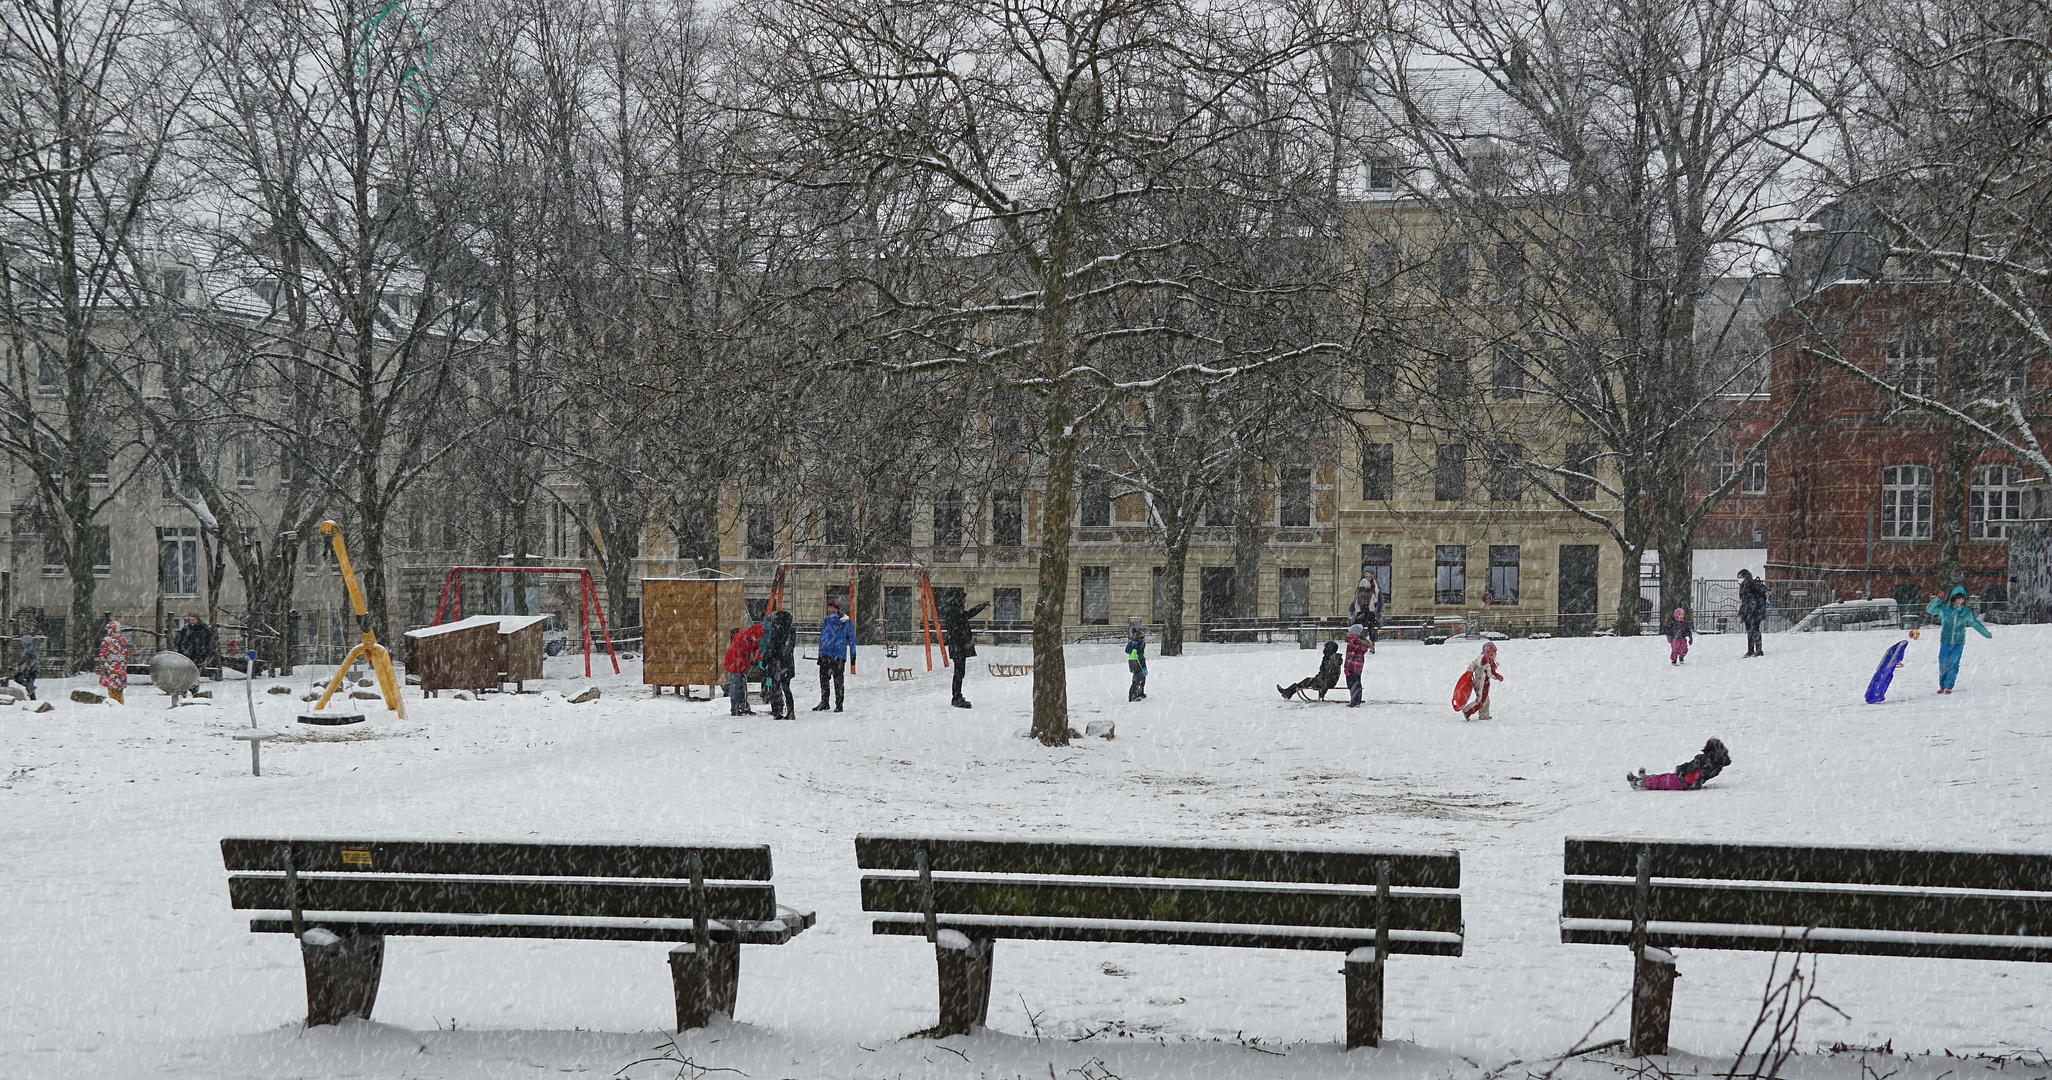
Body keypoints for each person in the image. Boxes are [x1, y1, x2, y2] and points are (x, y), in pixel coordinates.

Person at [1924, 586, 1992, 694]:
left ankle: (1949, 685)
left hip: (1958, 643)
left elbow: (1975, 624)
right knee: (1943, 664)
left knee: (1953, 664)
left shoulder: (1966, 612)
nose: (1959, 601)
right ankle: (1942, 685)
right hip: (1945, 641)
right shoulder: (1945, 609)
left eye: (1962, 599)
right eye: (1957, 598)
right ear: (1953, 599)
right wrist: (1938, 599)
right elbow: (1929, 609)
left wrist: (1986, 634)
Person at [940, 595, 989, 708]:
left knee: (959, 672)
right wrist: (980, 607)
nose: (964, 601)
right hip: (958, 646)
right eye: (962, 598)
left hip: (958, 646)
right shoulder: (955, 612)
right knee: (959, 672)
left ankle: (957, 696)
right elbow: (967, 615)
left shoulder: (954, 611)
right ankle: (956, 697)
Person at [1629, 738, 1731, 790]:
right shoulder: (1718, 762)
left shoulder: (1706, 759)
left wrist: (1681, 769)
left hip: (1684, 780)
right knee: (1664, 777)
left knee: (1661, 782)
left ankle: (1639, 783)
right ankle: (1644, 778)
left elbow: (1696, 768)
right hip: (1687, 780)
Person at [814, 600, 856, 712]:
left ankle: (838, 704)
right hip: (827, 655)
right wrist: (820, 654)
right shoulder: (826, 621)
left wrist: (853, 653)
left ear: (837, 610)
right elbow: (823, 639)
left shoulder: (845, 622)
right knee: (825, 681)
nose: (829, 610)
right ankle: (825, 702)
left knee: (837, 682)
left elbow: (851, 638)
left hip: (837, 656)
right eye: (828, 608)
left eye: (831, 608)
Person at [1278, 639, 1343, 700]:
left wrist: (1323, 691)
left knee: (1308, 681)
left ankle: (1288, 692)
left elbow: (1329, 677)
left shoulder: (1332, 661)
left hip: (1326, 682)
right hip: (1323, 680)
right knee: (1308, 680)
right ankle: (1288, 692)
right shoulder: (1329, 658)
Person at [722, 623, 763, 716]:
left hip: (743, 665)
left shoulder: (754, 637)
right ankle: (735, 709)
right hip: (733, 664)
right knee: (735, 687)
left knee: (743, 686)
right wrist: (751, 662)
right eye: (757, 638)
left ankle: (744, 707)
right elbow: (737, 656)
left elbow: (756, 649)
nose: (757, 640)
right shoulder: (740, 638)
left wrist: (757, 658)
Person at [762, 609, 797, 719]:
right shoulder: (791, 631)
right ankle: (790, 711)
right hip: (787, 664)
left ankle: (776, 712)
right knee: (786, 688)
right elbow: (788, 649)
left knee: (774, 688)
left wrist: (766, 660)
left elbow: (771, 647)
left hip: (776, 664)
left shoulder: (776, 631)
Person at [1461, 640, 1502, 721]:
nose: (1496, 655)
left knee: (1485, 700)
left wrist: (1469, 671)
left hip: (1478, 681)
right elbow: (1490, 673)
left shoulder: (1479, 659)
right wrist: (1498, 676)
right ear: (1490, 653)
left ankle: (1484, 715)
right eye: (1495, 653)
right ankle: (1467, 711)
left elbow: (1472, 664)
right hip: (1483, 683)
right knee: (1481, 701)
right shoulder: (1488, 662)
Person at [173, 613, 215, 691]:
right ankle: (185, 690)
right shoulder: (186, 629)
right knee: (186, 673)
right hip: (187, 654)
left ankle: (194, 690)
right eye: (190, 620)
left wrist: (204, 652)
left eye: (193, 619)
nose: (192, 621)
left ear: (197, 619)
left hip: (198, 654)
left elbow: (209, 642)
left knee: (195, 673)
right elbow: (180, 641)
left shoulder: (203, 629)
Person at [98, 618, 130, 704]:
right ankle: (120, 704)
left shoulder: (107, 640)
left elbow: (103, 654)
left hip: (110, 668)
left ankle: (114, 705)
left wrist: (102, 663)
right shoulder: (123, 640)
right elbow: (127, 655)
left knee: (111, 688)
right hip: (121, 668)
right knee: (119, 689)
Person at [1348, 573, 1383, 653]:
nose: (1368, 578)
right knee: (1371, 629)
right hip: (1369, 612)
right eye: (1366, 577)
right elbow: (1376, 601)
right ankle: (1371, 645)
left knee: (1358, 628)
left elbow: (1355, 602)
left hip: (1360, 613)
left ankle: (1357, 644)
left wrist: (1353, 610)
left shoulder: (1359, 592)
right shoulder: (1370, 592)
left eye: (1369, 576)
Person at [1737, 569, 1768, 657]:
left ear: (1745, 576)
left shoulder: (1751, 584)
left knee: (1754, 630)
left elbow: (1761, 589)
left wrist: (1765, 591)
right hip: (1749, 611)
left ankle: (1758, 650)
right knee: (1750, 631)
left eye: (1740, 577)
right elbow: (1745, 601)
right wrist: (1741, 612)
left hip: (1754, 611)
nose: (1739, 579)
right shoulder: (1744, 586)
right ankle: (1750, 650)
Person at [1343, 623, 1368, 707]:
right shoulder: (1360, 642)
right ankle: (1358, 700)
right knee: (1357, 683)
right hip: (1359, 666)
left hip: (1352, 666)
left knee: (1351, 684)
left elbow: (1350, 655)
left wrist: (1346, 667)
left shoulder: (1352, 642)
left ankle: (1353, 701)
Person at [10, 634, 37, 701]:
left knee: (18, 678)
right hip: (29, 668)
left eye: (22, 641)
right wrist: (18, 664)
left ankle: (32, 698)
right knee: (29, 684)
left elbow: (31, 659)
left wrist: (25, 666)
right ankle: (33, 699)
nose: (21, 643)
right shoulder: (27, 648)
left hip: (31, 669)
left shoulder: (31, 648)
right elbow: (25, 659)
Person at [1125, 624, 1147, 701]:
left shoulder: (1133, 643)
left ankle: (1140, 692)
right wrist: (1144, 667)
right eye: (1143, 637)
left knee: (1140, 678)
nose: (1145, 638)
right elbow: (1141, 657)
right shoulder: (1139, 645)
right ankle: (1133, 695)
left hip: (1132, 662)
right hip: (1137, 663)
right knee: (1138, 679)